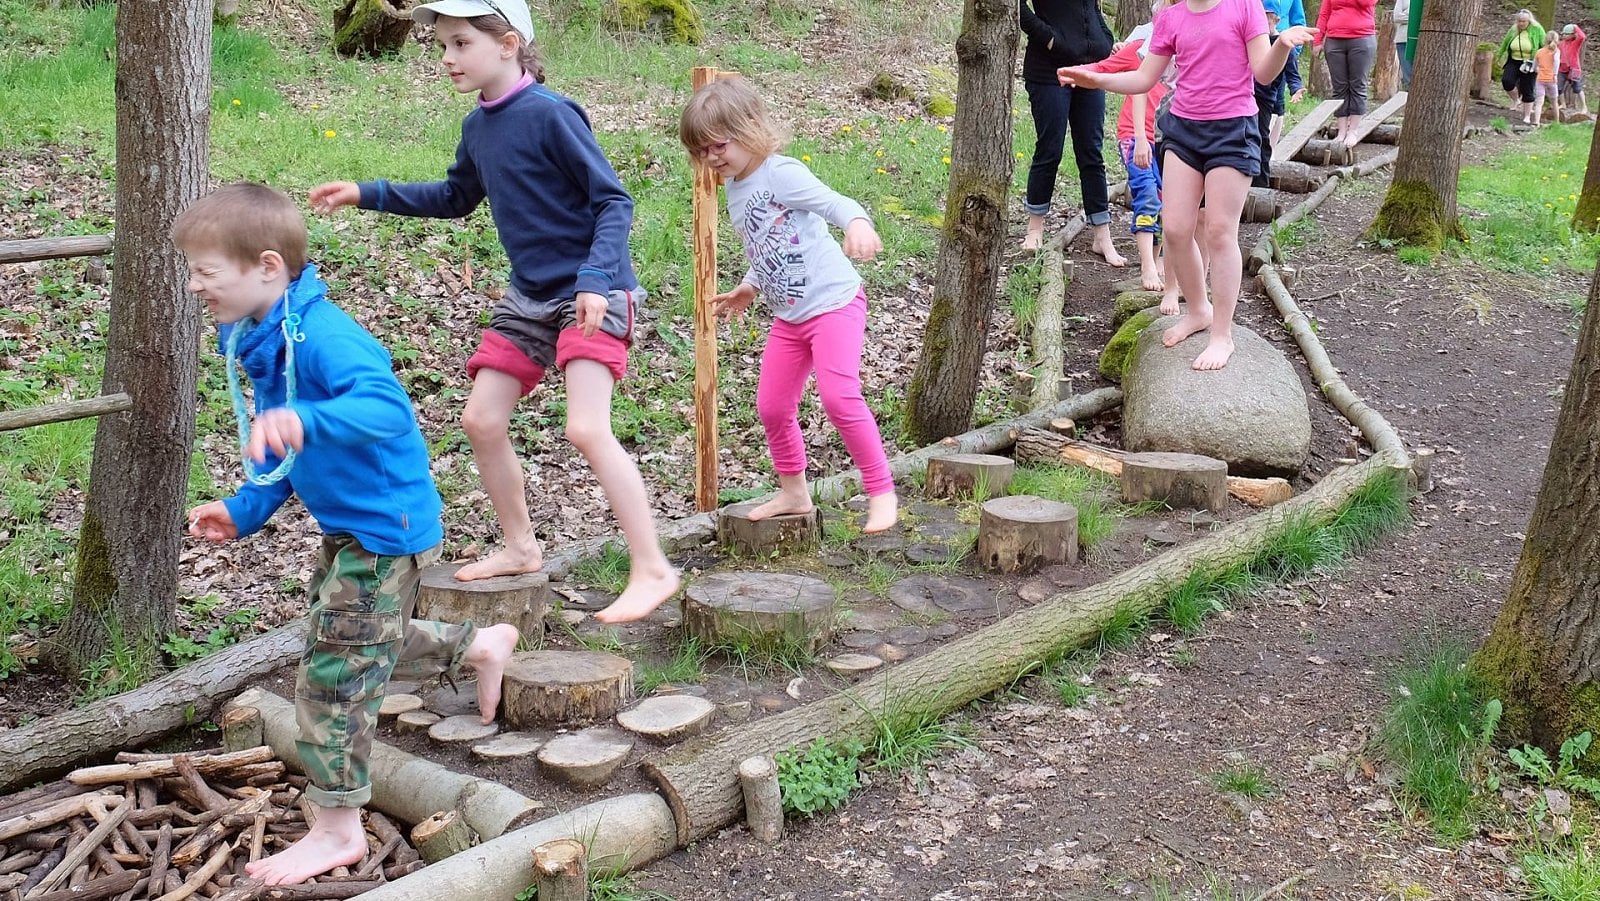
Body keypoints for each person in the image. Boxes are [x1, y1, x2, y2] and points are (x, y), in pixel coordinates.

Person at [175, 183, 521, 887]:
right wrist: (244, 509)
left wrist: (309, 418)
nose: (194, 285)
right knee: (351, 638)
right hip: (349, 525)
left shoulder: (324, 337)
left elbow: (386, 408)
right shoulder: (255, 336)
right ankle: (479, 645)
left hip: (385, 527)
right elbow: (281, 447)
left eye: (205, 272)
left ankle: (335, 830)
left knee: (334, 672)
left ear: (267, 267)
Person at [310, 0, 679, 624]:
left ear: (507, 43)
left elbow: (613, 202)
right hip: (531, 296)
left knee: (587, 428)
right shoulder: (478, 128)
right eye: (443, 47)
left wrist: (594, 279)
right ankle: (520, 546)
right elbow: (456, 197)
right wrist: (364, 193)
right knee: (482, 419)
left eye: (460, 44)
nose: (448, 58)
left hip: (595, 291)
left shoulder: (552, 114)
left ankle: (652, 568)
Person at [678, 78, 898, 533]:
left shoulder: (781, 173)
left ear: (750, 128)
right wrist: (749, 286)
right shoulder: (737, 188)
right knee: (773, 407)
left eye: (718, 145)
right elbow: (771, 245)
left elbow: (835, 203)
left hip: (835, 304)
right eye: (701, 151)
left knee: (839, 398)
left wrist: (857, 224)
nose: (711, 158)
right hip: (790, 318)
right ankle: (794, 492)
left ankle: (881, 491)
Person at [1059, 0, 1317, 371]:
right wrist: (1095, 78)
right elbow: (1144, 78)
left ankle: (1222, 335)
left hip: (1233, 131)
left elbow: (1262, 73)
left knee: (1219, 232)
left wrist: (1281, 44)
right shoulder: (1171, 17)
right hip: (1183, 131)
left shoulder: (1245, 8)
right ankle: (1198, 309)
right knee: (1177, 229)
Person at [1018, 0, 1127, 266]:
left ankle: (1102, 235)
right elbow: (1017, 9)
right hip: (1048, 71)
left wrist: (1103, 40)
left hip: (1089, 71)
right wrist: (1051, 40)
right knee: (1050, 148)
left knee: (1092, 152)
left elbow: (1092, 10)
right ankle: (1035, 229)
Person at [1085, 18, 1170, 291]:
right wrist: (1072, 72)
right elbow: (1103, 68)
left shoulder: (1193, 48)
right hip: (1135, 137)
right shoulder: (1140, 47)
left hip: (1172, 137)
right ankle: (1146, 265)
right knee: (1146, 195)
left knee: (1165, 200)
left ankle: (1157, 262)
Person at [1314, 0, 1377, 148]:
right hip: (1334, 39)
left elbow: (1367, 3)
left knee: (1358, 85)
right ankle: (1341, 131)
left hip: (1362, 38)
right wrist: (1317, 40)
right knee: (1339, 87)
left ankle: (1353, 131)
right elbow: (1324, 13)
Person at [1254, 6, 1292, 188]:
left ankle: (1261, 184)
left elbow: (1291, 72)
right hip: (1243, 92)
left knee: (1262, 137)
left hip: (1265, 96)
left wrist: (1296, 87)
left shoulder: (1279, 40)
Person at [1499, 10, 1545, 120]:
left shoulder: (1537, 29)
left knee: (1527, 88)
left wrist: (1541, 63)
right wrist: (1499, 55)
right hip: (1514, 60)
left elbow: (1544, 45)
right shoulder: (1514, 29)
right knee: (1507, 81)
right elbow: (1505, 43)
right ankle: (1516, 100)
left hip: (1529, 61)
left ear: (1529, 21)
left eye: (1524, 21)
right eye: (1519, 21)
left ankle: (1527, 116)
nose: (1521, 23)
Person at [1532, 30, 1561, 126]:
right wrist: (1555, 74)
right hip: (1552, 79)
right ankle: (1557, 121)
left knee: (1539, 101)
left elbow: (1534, 66)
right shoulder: (1556, 51)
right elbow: (1556, 62)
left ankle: (1536, 121)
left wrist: (1536, 69)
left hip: (1540, 79)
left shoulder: (1539, 52)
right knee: (1554, 102)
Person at [1560, 23, 1588, 116]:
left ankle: (1584, 107)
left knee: (1577, 88)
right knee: (1559, 87)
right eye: (1563, 34)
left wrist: (1575, 27)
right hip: (1562, 68)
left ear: (1573, 34)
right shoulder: (1560, 44)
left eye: (1567, 34)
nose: (1564, 36)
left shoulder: (1575, 43)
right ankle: (1563, 104)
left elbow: (1582, 37)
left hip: (1574, 69)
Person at [1392, 0, 1412, 90]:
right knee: (1408, 75)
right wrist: (1414, 15)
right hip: (1403, 40)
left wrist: (1407, 14)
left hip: (1421, 40)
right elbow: (1397, 17)